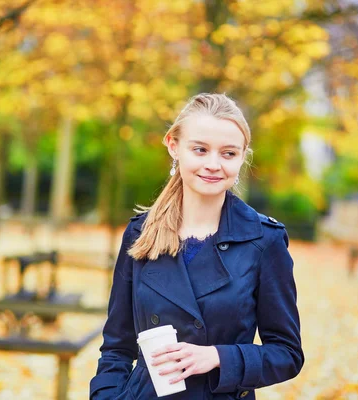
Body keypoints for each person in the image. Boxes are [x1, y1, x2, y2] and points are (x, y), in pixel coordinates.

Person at [89, 93, 304, 400]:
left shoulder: (264, 240)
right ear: (174, 146)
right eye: (200, 149)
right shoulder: (140, 233)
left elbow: (287, 354)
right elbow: (116, 346)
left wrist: (217, 357)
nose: (213, 165)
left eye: (228, 154)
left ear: (243, 156)